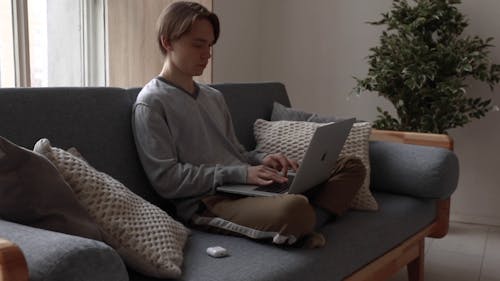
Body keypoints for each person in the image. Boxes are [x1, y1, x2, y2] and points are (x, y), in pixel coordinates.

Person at [132, 1, 366, 247]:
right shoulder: (151, 103)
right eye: (198, 44)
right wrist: (241, 173)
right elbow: (167, 181)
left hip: (244, 186)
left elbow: (235, 152)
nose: (207, 54)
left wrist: (261, 160)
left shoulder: (213, 96)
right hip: (209, 202)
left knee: (350, 165)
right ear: (167, 42)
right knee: (295, 209)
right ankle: (302, 223)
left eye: (210, 45)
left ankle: (305, 226)